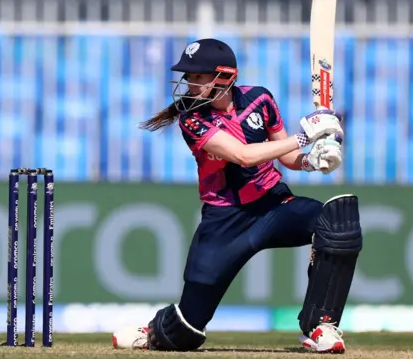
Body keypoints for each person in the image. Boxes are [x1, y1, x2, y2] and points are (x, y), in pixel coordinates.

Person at [138, 38, 363, 354]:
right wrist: (304, 136)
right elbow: (243, 156)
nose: (190, 83)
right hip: (225, 221)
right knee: (185, 333)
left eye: (198, 77)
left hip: (273, 205)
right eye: (188, 77)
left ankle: (320, 326)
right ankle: (153, 331)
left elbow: (285, 158)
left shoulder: (260, 99)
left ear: (225, 76)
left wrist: (312, 161)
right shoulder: (192, 118)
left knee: (338, 222)